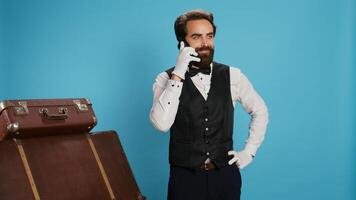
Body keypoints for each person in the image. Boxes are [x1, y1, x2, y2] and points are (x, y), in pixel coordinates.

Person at [149, 9, 269, 200]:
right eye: (196, 37)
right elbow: (161, 124)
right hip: (185, 179)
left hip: (225, 177)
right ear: (182, 43)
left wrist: (249, 152)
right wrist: (178, 73)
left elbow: (260, 111)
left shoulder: (233, 76)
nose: (205, 43)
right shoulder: (165, 79)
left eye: (209, 36)